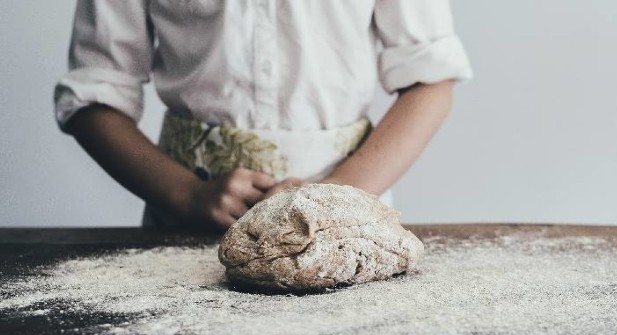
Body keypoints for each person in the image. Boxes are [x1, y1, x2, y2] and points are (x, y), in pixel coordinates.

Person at [54, 0, 472, 231]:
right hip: (187, 221)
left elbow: (430, 81)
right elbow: (94, 95)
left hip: (349, 218)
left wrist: (337, 196)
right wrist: (185, 195)